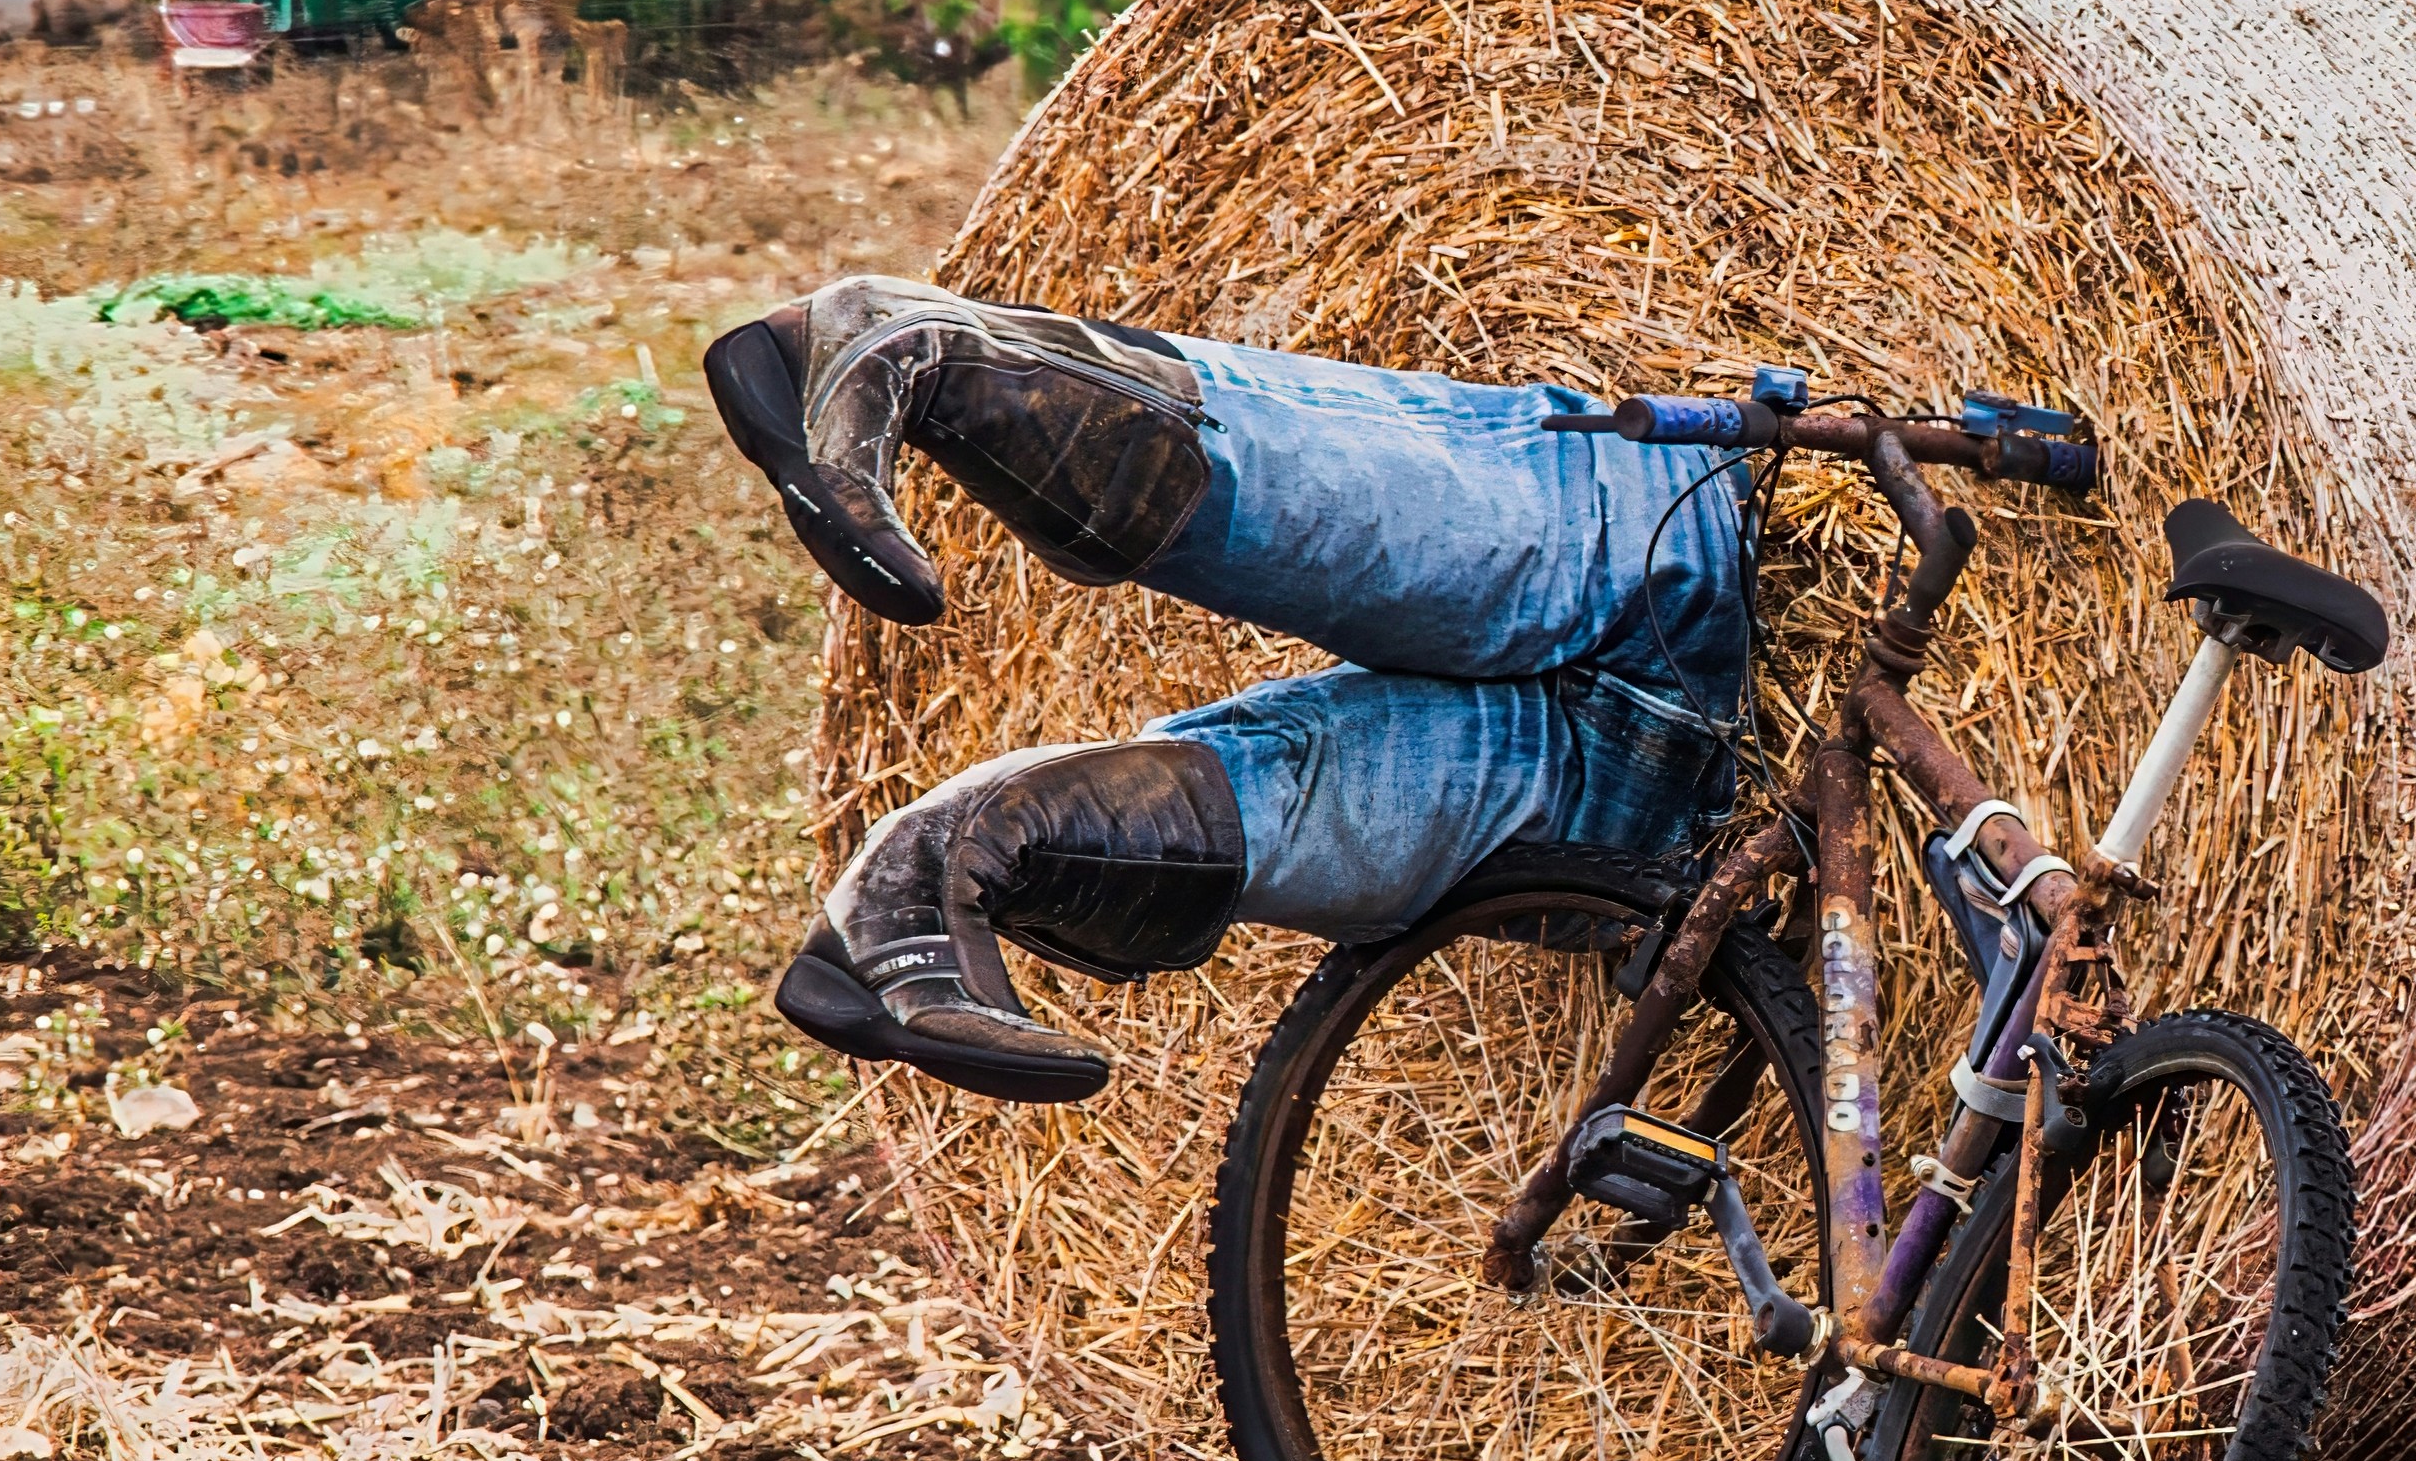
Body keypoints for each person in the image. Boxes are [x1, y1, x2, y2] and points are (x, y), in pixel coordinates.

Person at [704, 281, 1753, 1101]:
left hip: (1668, 832)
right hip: (1704, 546)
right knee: (1423, 519)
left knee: (1299, 808)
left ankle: (918, 884)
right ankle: (901, 354)